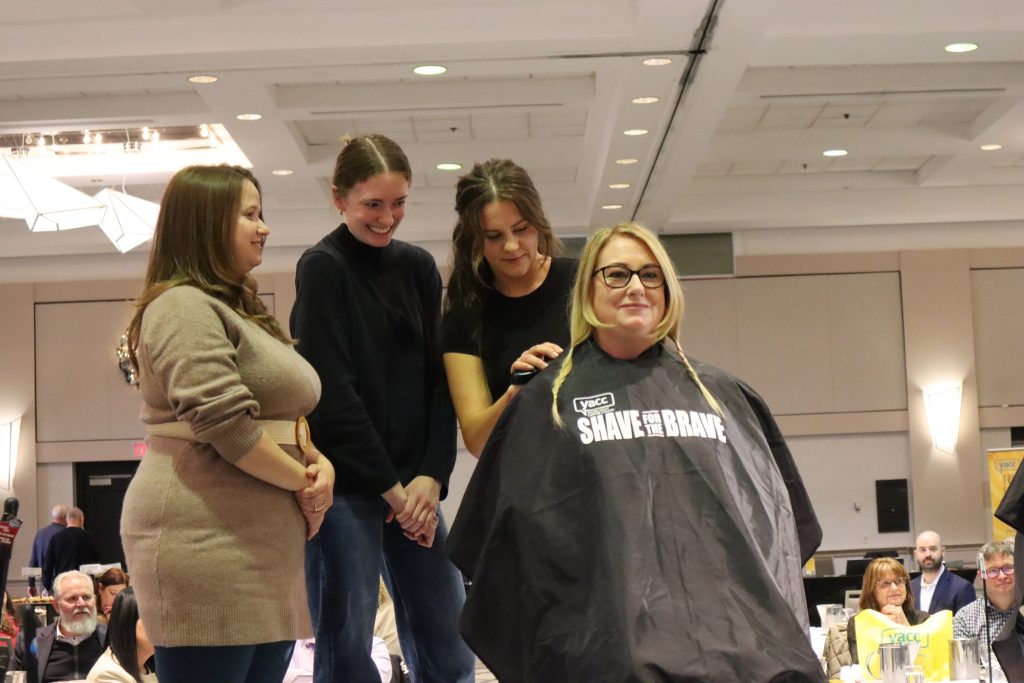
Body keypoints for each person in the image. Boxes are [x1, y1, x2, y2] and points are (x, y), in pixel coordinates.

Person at [448, 222, 825, 682]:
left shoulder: (724, 395)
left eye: (650, 275)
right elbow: (502, 546)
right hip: (606, 653)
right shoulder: (546, 400)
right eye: (616, 274)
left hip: (741, 652)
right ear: (587, 288)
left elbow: (782, 526)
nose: (635, 288)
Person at [120, 164, 335, 683]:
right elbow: (224, 422)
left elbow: (285, 420)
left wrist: (318, 464)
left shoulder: (235, 309)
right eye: (250, 214)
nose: (264, 228)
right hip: (204, 538)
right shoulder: (181, 305)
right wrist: (303, 482)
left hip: (261, 539)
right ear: (207, 222)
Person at [290, 135, 474, 683]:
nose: (387, 217)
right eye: (373, 204)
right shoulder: (322, 268)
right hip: (348, 487)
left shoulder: (418, 267)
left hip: (414, 489)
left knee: (448, 636)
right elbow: (333, 396)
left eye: (399, 203)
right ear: (339, 198)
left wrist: (431, 479)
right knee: (346, 646)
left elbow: (440, 382)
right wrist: (392, 491)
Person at [441, 159, 575, 455]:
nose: (511, 246)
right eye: (495, 236)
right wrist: (517, 391)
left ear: (537, 222)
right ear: (475, 239)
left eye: (521, 229)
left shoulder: (582, 284)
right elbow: (476, 441)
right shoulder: (464, 319)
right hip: (522, 483)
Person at [831, 557, 929, 671]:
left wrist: (904, 627)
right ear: (872, 591)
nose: (894, 588)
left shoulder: (923, 620)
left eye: (899, 581)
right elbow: (862, 668)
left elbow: (926, 665)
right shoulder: (859, 623)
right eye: (885, 583)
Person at [11, 570, 108, 682]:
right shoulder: (30, 641)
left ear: (95, 601)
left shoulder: (111, 639)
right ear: (57, 605)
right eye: (72, 598)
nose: (81, 604)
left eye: (86, 597)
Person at [954, 540, 1016, 682]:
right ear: (981, 575)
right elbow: (964, 673)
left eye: (1008, 568)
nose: (1002, 576)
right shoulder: (965, 618)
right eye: (992, 571)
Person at [86, 587, 157, 682]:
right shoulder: (107, 674)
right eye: (152, 618)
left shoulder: (145, 667)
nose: (161, 628)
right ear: (128, 622)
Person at [910, 530, 976, 614]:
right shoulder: (909, 588)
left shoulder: (962, 588)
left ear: (943, 552)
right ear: (916, 555)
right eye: (922, 550)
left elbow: (968, 625)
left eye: (933, 549)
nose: (928, 554)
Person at [42, 507, 99, 593]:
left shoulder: (56, 538)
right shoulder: (89, 536)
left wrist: (48, 585)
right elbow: (96, 561)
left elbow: (48, 565)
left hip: (63, 584)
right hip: (83, 583)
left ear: (66, 520)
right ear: (81, 519)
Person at [29, 503, 67, 595]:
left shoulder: (40, 534)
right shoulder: (66, 534)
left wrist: (31, 584)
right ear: (65, 517)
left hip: (45, 584)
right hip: (64, 582)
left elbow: (33, 561)